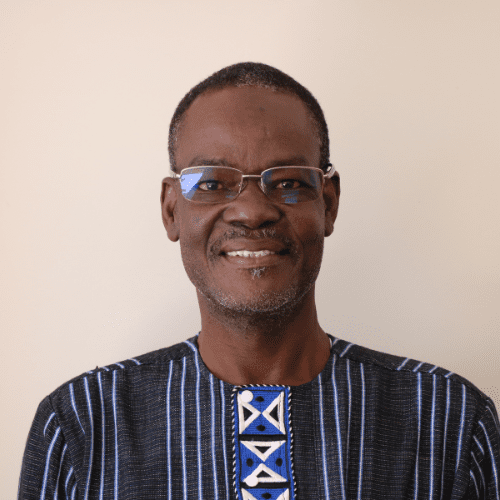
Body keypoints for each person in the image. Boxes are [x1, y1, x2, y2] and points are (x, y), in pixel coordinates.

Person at [18, 62, 499, 500]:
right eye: (211, 183)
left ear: (328, 203)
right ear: (171, 209)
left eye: (288, 182)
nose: (251, 211)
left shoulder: (450, 422)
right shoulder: (84, 426)